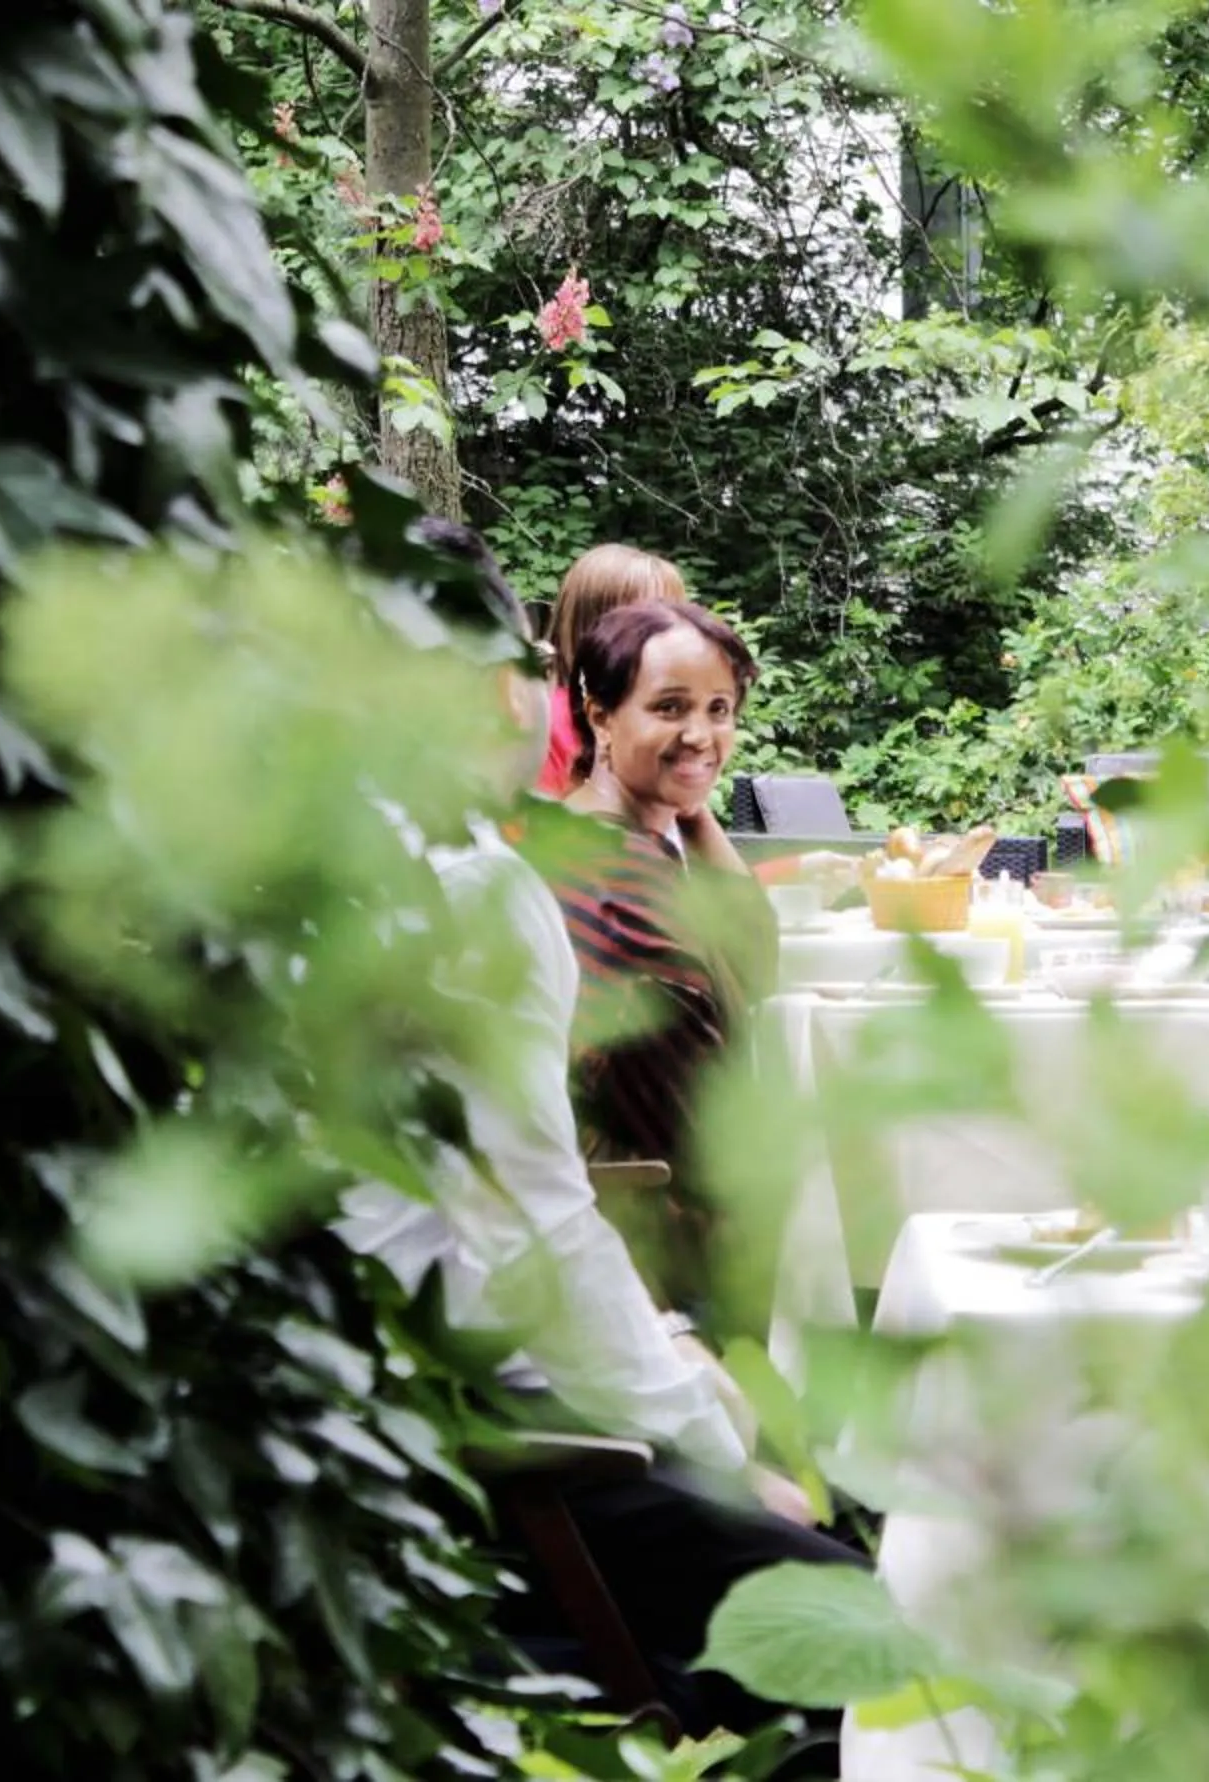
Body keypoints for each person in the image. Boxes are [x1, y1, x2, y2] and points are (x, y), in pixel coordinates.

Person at [335, 524, 859, 1761]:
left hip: (391, 1412)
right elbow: (543, 1214)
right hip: (501, 1441)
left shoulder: (339, 866)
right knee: (856, 1621)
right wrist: (704, 1425)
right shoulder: (482, 887)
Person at [546, 599, 780, 1316]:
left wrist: (688, 794)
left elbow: (755, 951)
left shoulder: (606, 828)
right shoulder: (619, 884)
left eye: (720, 710)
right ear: (600, 714)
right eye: (669, 707)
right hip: (646, 1250)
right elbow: (705, 1124)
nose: (702, 733)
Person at [536, 543, 689, 797]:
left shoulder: (656, 721)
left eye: (677, 620)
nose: (673, 638)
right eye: (651, 623)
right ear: (598, 627)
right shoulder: (545, 724)